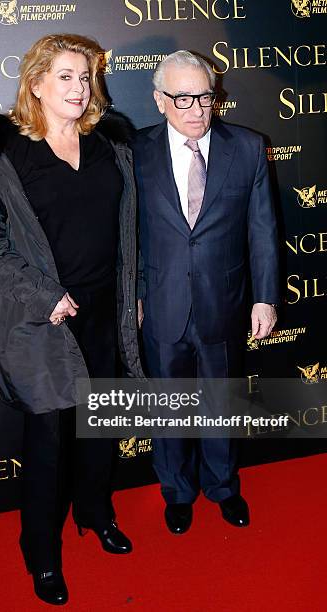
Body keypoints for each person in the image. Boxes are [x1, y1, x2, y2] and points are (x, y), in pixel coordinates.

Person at [0, 33, 143, 606]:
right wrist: (44, 296)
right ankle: (41, 553)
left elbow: (127, 232)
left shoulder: (112, 145)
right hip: (42, 322)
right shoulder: (7, 155)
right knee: (47, 443)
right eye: (65, 76)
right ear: (35, 83)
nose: (79, 87)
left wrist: (130, 294)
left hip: (104, 314)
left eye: (85, 76)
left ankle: (94, 512)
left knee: (98, 431)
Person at [133, 51, 279, 535]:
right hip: (161, 305)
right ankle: (177, 491)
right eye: (182, 98)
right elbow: (126, 235)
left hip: (226, 302)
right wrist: (132, 295)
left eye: (205, 96)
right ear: (159, 100)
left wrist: (265, 297)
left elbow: (262, 229)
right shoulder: (135, 152)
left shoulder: (249, 148)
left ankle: (223, 487)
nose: (196, 108)